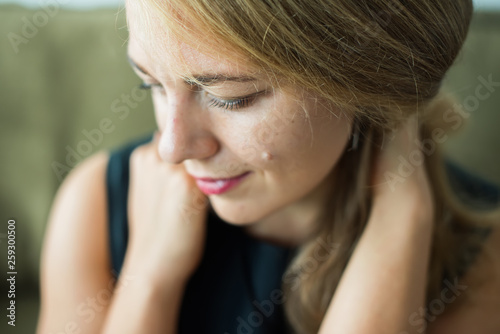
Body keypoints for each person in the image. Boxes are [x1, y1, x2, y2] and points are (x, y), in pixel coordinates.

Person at [37, 0, 500, 333]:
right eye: (150, 84)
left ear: (367, 87)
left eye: (230, 97)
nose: (173, 148)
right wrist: (149, 278)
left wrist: (403, 219)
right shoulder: (96, 201)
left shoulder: (483, 256)